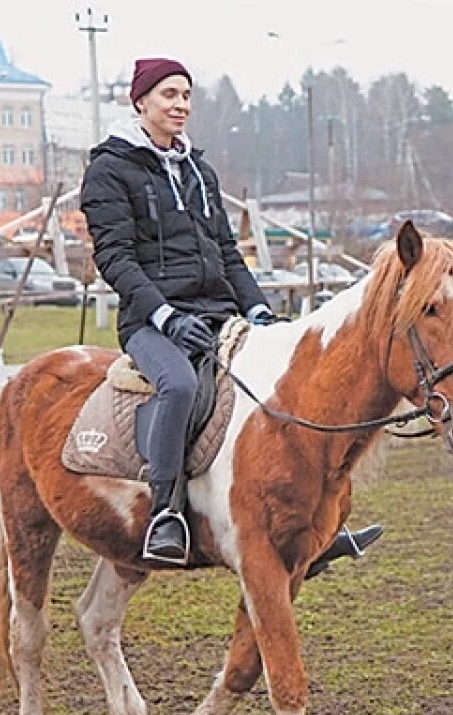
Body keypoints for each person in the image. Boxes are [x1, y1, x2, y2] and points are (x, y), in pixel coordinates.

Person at [80, 57, 383, 569]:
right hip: (152, 323)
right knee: (179, 384)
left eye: (185, 95)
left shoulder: (199, 169)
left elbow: (225, 251)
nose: (180, 105)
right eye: (168, 95)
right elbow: (116, 258)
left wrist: (259, 309)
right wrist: (165, 317)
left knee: (288, 379)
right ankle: (166, 512)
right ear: (141, 103)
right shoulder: (110, 171)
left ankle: (315, 521)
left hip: (219, 313)